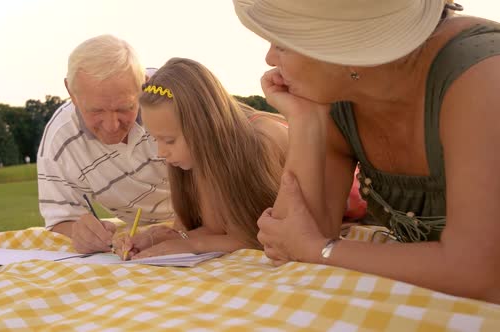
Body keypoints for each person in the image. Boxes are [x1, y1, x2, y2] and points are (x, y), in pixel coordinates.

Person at [234, 0, 500, 303]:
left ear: (347, 49)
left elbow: (481, 272)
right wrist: (306, 121)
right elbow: (286, 242)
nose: (269, 59)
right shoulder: (341, 100)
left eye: (281, 44)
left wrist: (320, 250)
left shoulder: (483, 76)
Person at [113, 57, 289, 259]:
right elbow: (216, 230)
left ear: (203, 127)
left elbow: (257, 236)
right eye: (156, 139)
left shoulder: (260, 144)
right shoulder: (196, 160)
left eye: (169, 140)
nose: (161, 152)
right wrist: (162, 238)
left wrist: (191, 244)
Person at [37, 35, 174, 254]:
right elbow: (60, 220)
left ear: (144, 84)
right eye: (96, 111)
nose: (112, 126)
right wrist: (81, 233)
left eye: (124, 108)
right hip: (143, 237)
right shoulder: (59, 140)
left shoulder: (172, 95)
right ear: (71, 91)